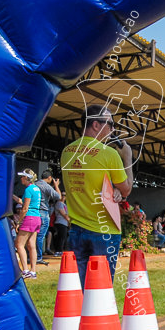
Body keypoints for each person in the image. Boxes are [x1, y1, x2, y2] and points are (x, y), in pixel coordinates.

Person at [60, 104, 133, 287]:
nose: (112, 129)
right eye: (110, 124)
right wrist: (127, 158)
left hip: (76, 230)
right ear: (95, 125)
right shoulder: (109, 154)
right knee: (101, 290)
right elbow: (126, 190)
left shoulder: (67, 152)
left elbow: (90, 180)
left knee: (78, 290)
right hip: (104, 231)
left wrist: (113, 189)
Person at [15, 169, 41, 279]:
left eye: (22, 177)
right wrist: (12, 196)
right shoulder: (36, 189)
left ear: (27, 178)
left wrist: (19, 222)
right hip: (37, 217)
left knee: (19, 244)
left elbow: (25, 208)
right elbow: (24, 202)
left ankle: (25, 270)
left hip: (29, 217)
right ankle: (33, 271)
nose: (21, 178)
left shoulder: (28, 189)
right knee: (31, 245)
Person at [33, 170, 61, 264]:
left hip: (34, 211)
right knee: (41, 236)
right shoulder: (46, 186)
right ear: (49, 178)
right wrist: (56, 185)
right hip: (43, 212)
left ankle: (32, 255)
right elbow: (58, 196)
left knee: (32, 235)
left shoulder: (35, 184)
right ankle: (38, 257)